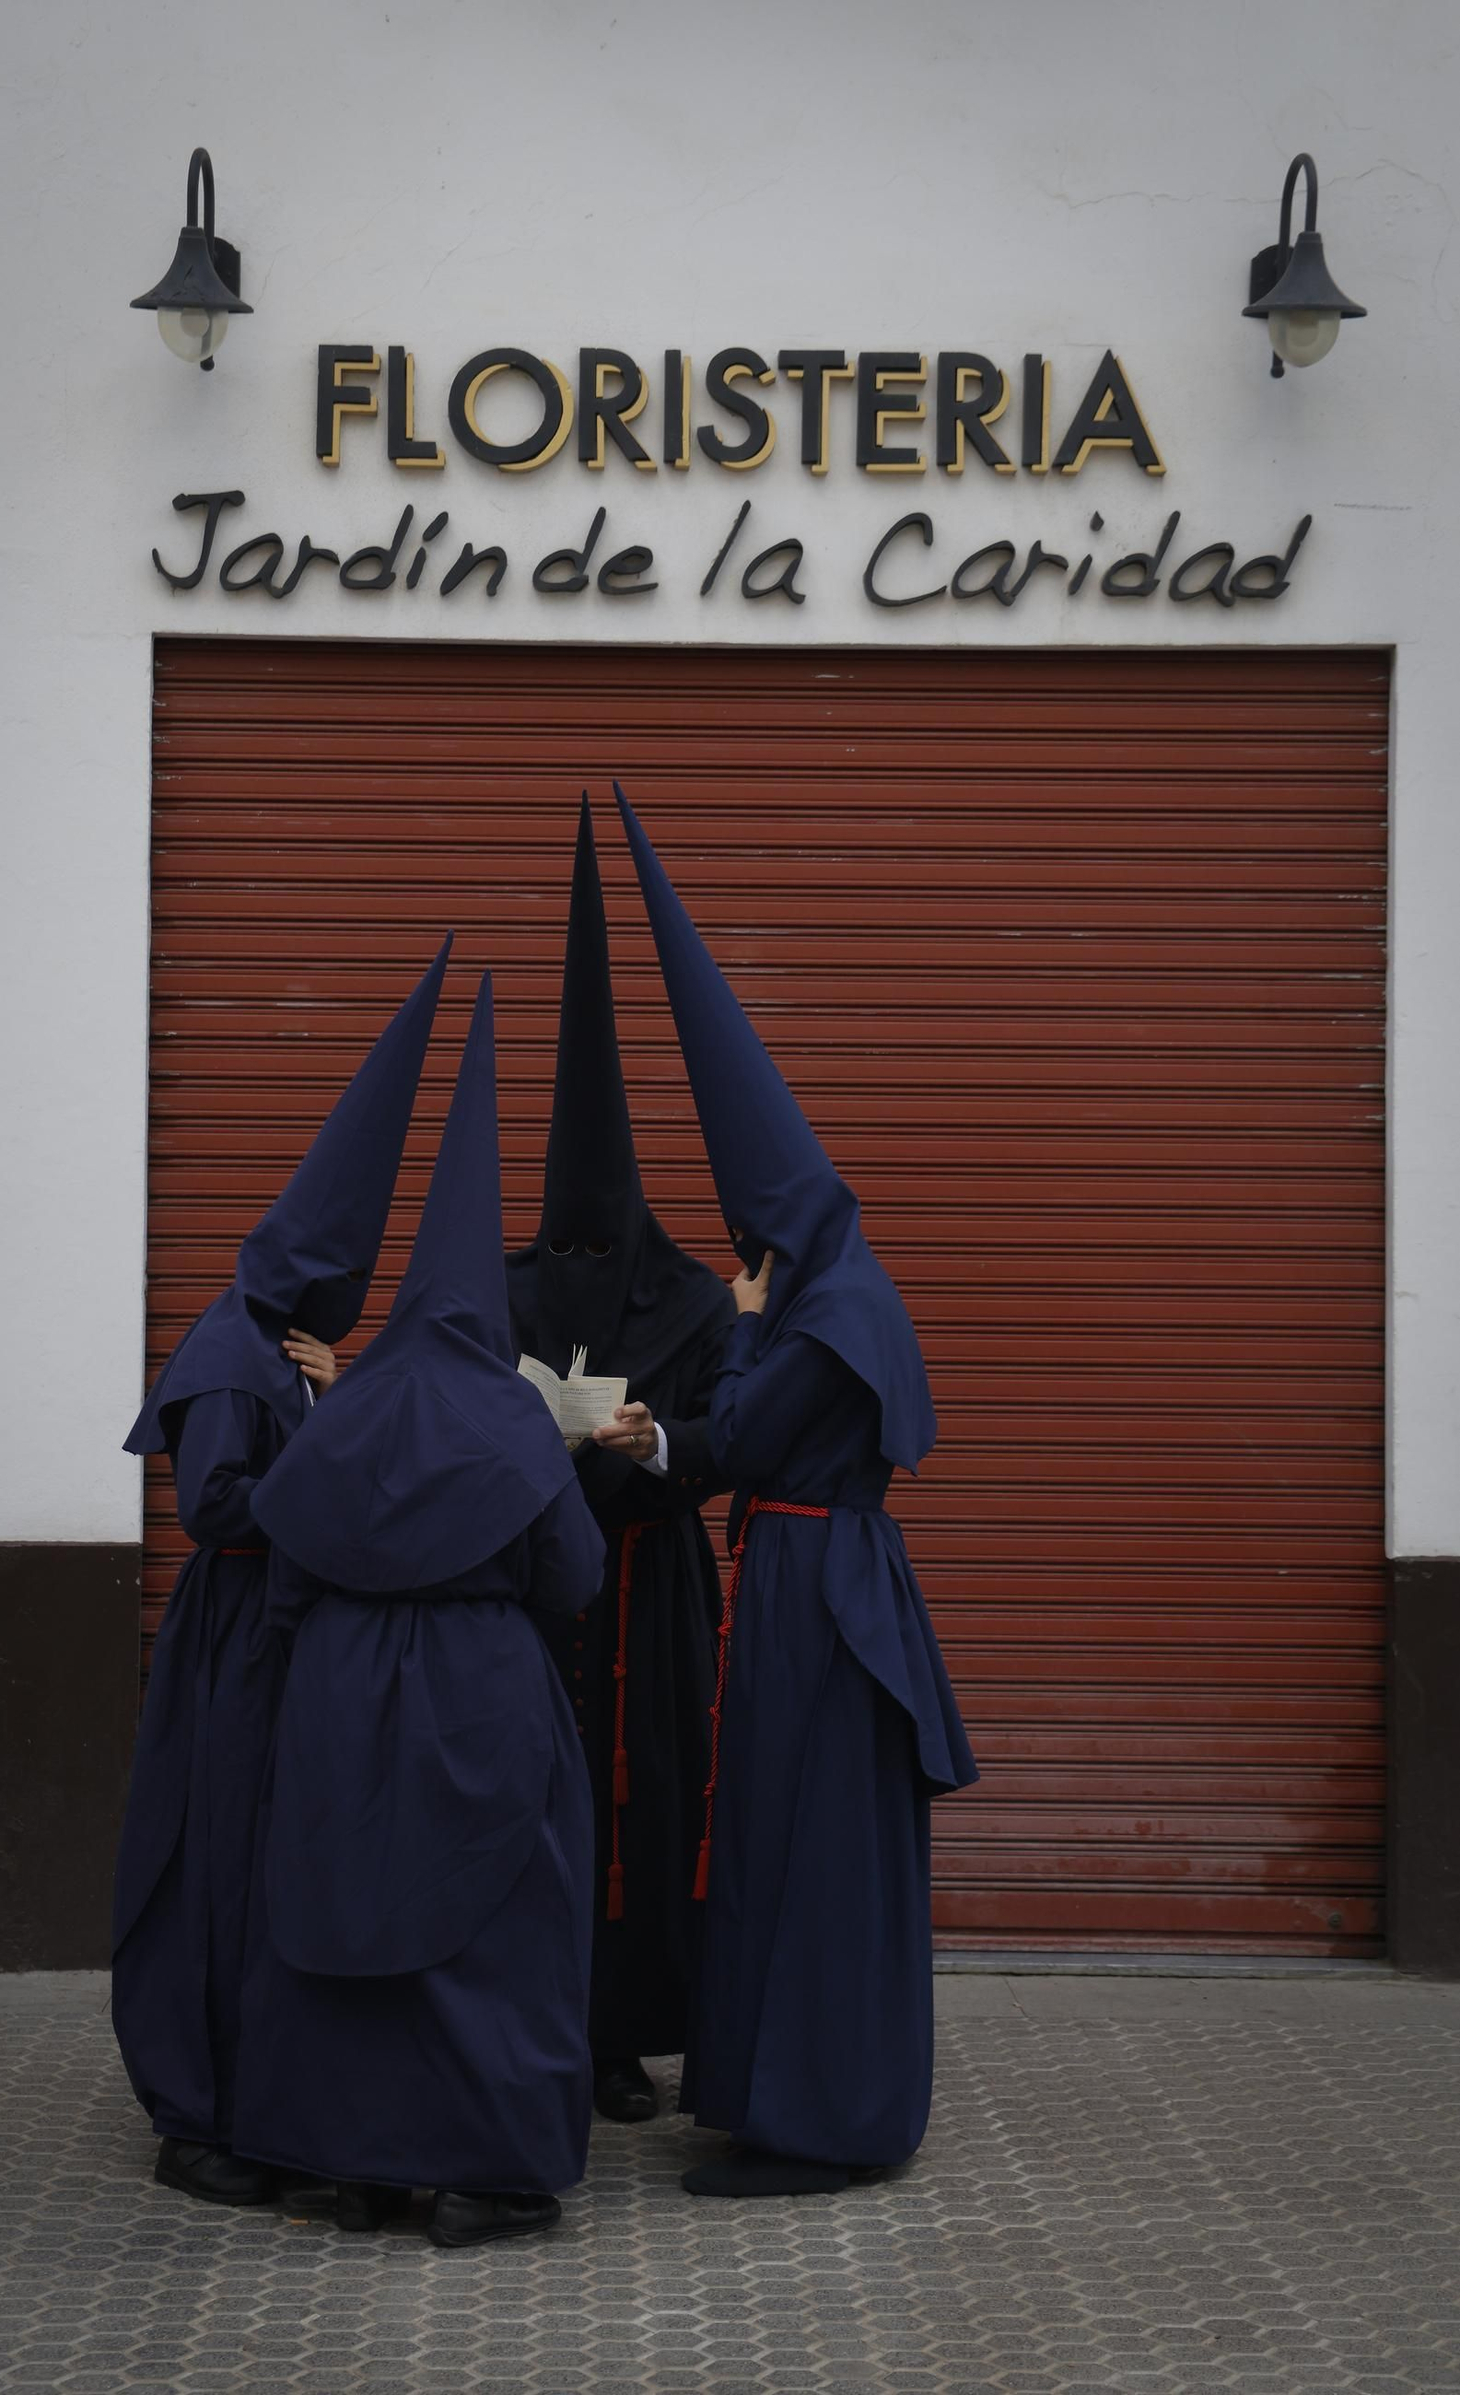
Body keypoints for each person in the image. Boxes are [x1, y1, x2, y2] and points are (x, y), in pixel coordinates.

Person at [613, 785, 979, 2199]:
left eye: (756, 1238)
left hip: (819, 1602)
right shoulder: (837, 1296)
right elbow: (725, 1443)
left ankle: (820, 2120)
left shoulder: (828, 1316)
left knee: (810, 1845)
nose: (744, 1257)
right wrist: (669, 1435)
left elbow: (750, 1433)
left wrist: (742, 1326)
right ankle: (773, 2094)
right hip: (798, 1589)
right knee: (770, 1831)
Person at [233, 976, 605, 2251]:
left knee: (341, 1904)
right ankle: (483, 2173)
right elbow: (576, 1575)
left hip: (339, 1685)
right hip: (479, 1686)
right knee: (496, 1922)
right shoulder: (506, 1412)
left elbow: (284, 1569)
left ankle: (356, 2164)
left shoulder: (350, 1405)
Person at [112, 938, 451, 2206]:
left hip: (285, 1631)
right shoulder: (223, 1356)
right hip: (236, 1639)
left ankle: (262, 2082)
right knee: (215, 1854)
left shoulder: (285, 1352)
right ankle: (193, 2105)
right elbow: (214, 1507)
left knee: (273, 1857)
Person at [506, 798, 734, 2125]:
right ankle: (545, 2022)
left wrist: (658, 1445)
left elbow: (720, 1444)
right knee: (542, 1802)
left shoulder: (698, 1302)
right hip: (545, 1600)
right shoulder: (499, 1286)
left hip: (652, 1599)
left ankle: (642, 2028)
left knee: (651, 1816)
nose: (586, 1271)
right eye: (569, 1247)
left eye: (607, 1249)